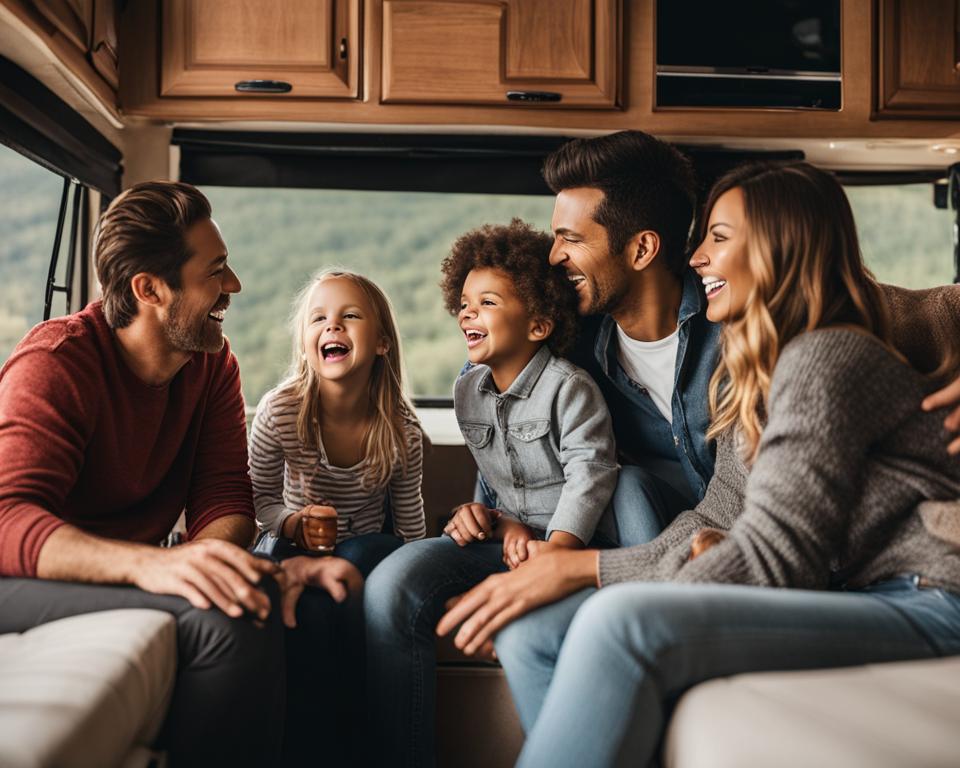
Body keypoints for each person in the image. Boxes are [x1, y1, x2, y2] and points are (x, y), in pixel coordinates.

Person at [440, 162, 960, 767]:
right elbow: (718, 511)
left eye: (718, 237)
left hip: (927, 598)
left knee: (619, 624)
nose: (696, 259)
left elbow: (775, 557)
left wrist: (582, 570)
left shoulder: (828, 356)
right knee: (532, 633)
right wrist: (573, 573)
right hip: (867, 594)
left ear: (776, 249)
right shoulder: (760, 374)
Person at [0, 181, 284, 767]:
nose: (233, 286)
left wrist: (210, 562)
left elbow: (225, 495)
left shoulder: (211, 364)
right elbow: (8, 519)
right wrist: (157, 565)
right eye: (217, 271)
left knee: (259, 594)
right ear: (150, 288)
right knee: (223, 626)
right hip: (21, 577)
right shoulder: (56, 364)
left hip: (120, 570)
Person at [364, 219, 618, 767]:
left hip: (563, 548)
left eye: (486, 302)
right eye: (463, 302)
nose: (466, 312)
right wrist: (477, 513)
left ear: (538, 324)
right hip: (501, 540)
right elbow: (493, 472)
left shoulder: (569, 389)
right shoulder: (467, 389)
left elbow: (591, 473)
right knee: (390, 583)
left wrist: (557, 550)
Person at [248, 268, 425, 766]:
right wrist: (294, 524)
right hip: (290, 548)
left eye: (350, 316)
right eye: (319, 319)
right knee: (311, 613)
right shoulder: (280, 412)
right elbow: (258, 503)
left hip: (364, 556)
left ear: (383, 342)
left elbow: (410, 526)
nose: (333, 327)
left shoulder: (401, 430)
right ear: (305, 342)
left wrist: (418, 587)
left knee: (366, 550)